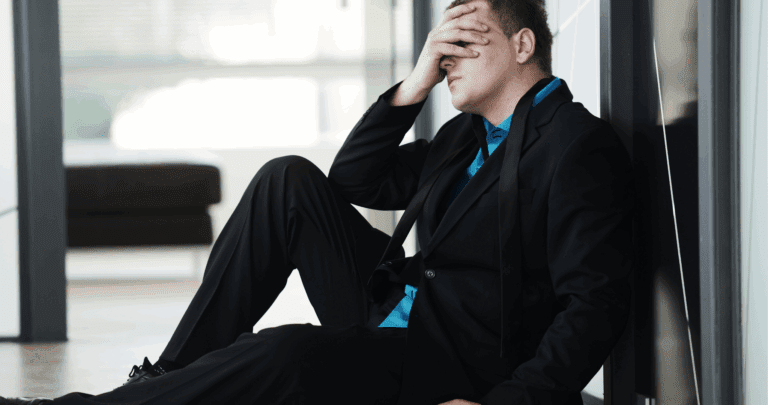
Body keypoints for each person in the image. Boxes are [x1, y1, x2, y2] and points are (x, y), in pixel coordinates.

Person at [1, 0, 634, 404]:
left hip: (453, 360)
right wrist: (415, 82)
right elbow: (356, 179)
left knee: (286, 354)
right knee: (287, 182)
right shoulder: (464, 136)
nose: (448, 60)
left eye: (466, 42)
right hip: (399, 307)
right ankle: (165, 381)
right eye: (443, 47)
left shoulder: (575, 145)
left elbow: (595, 303)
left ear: (523, 45)